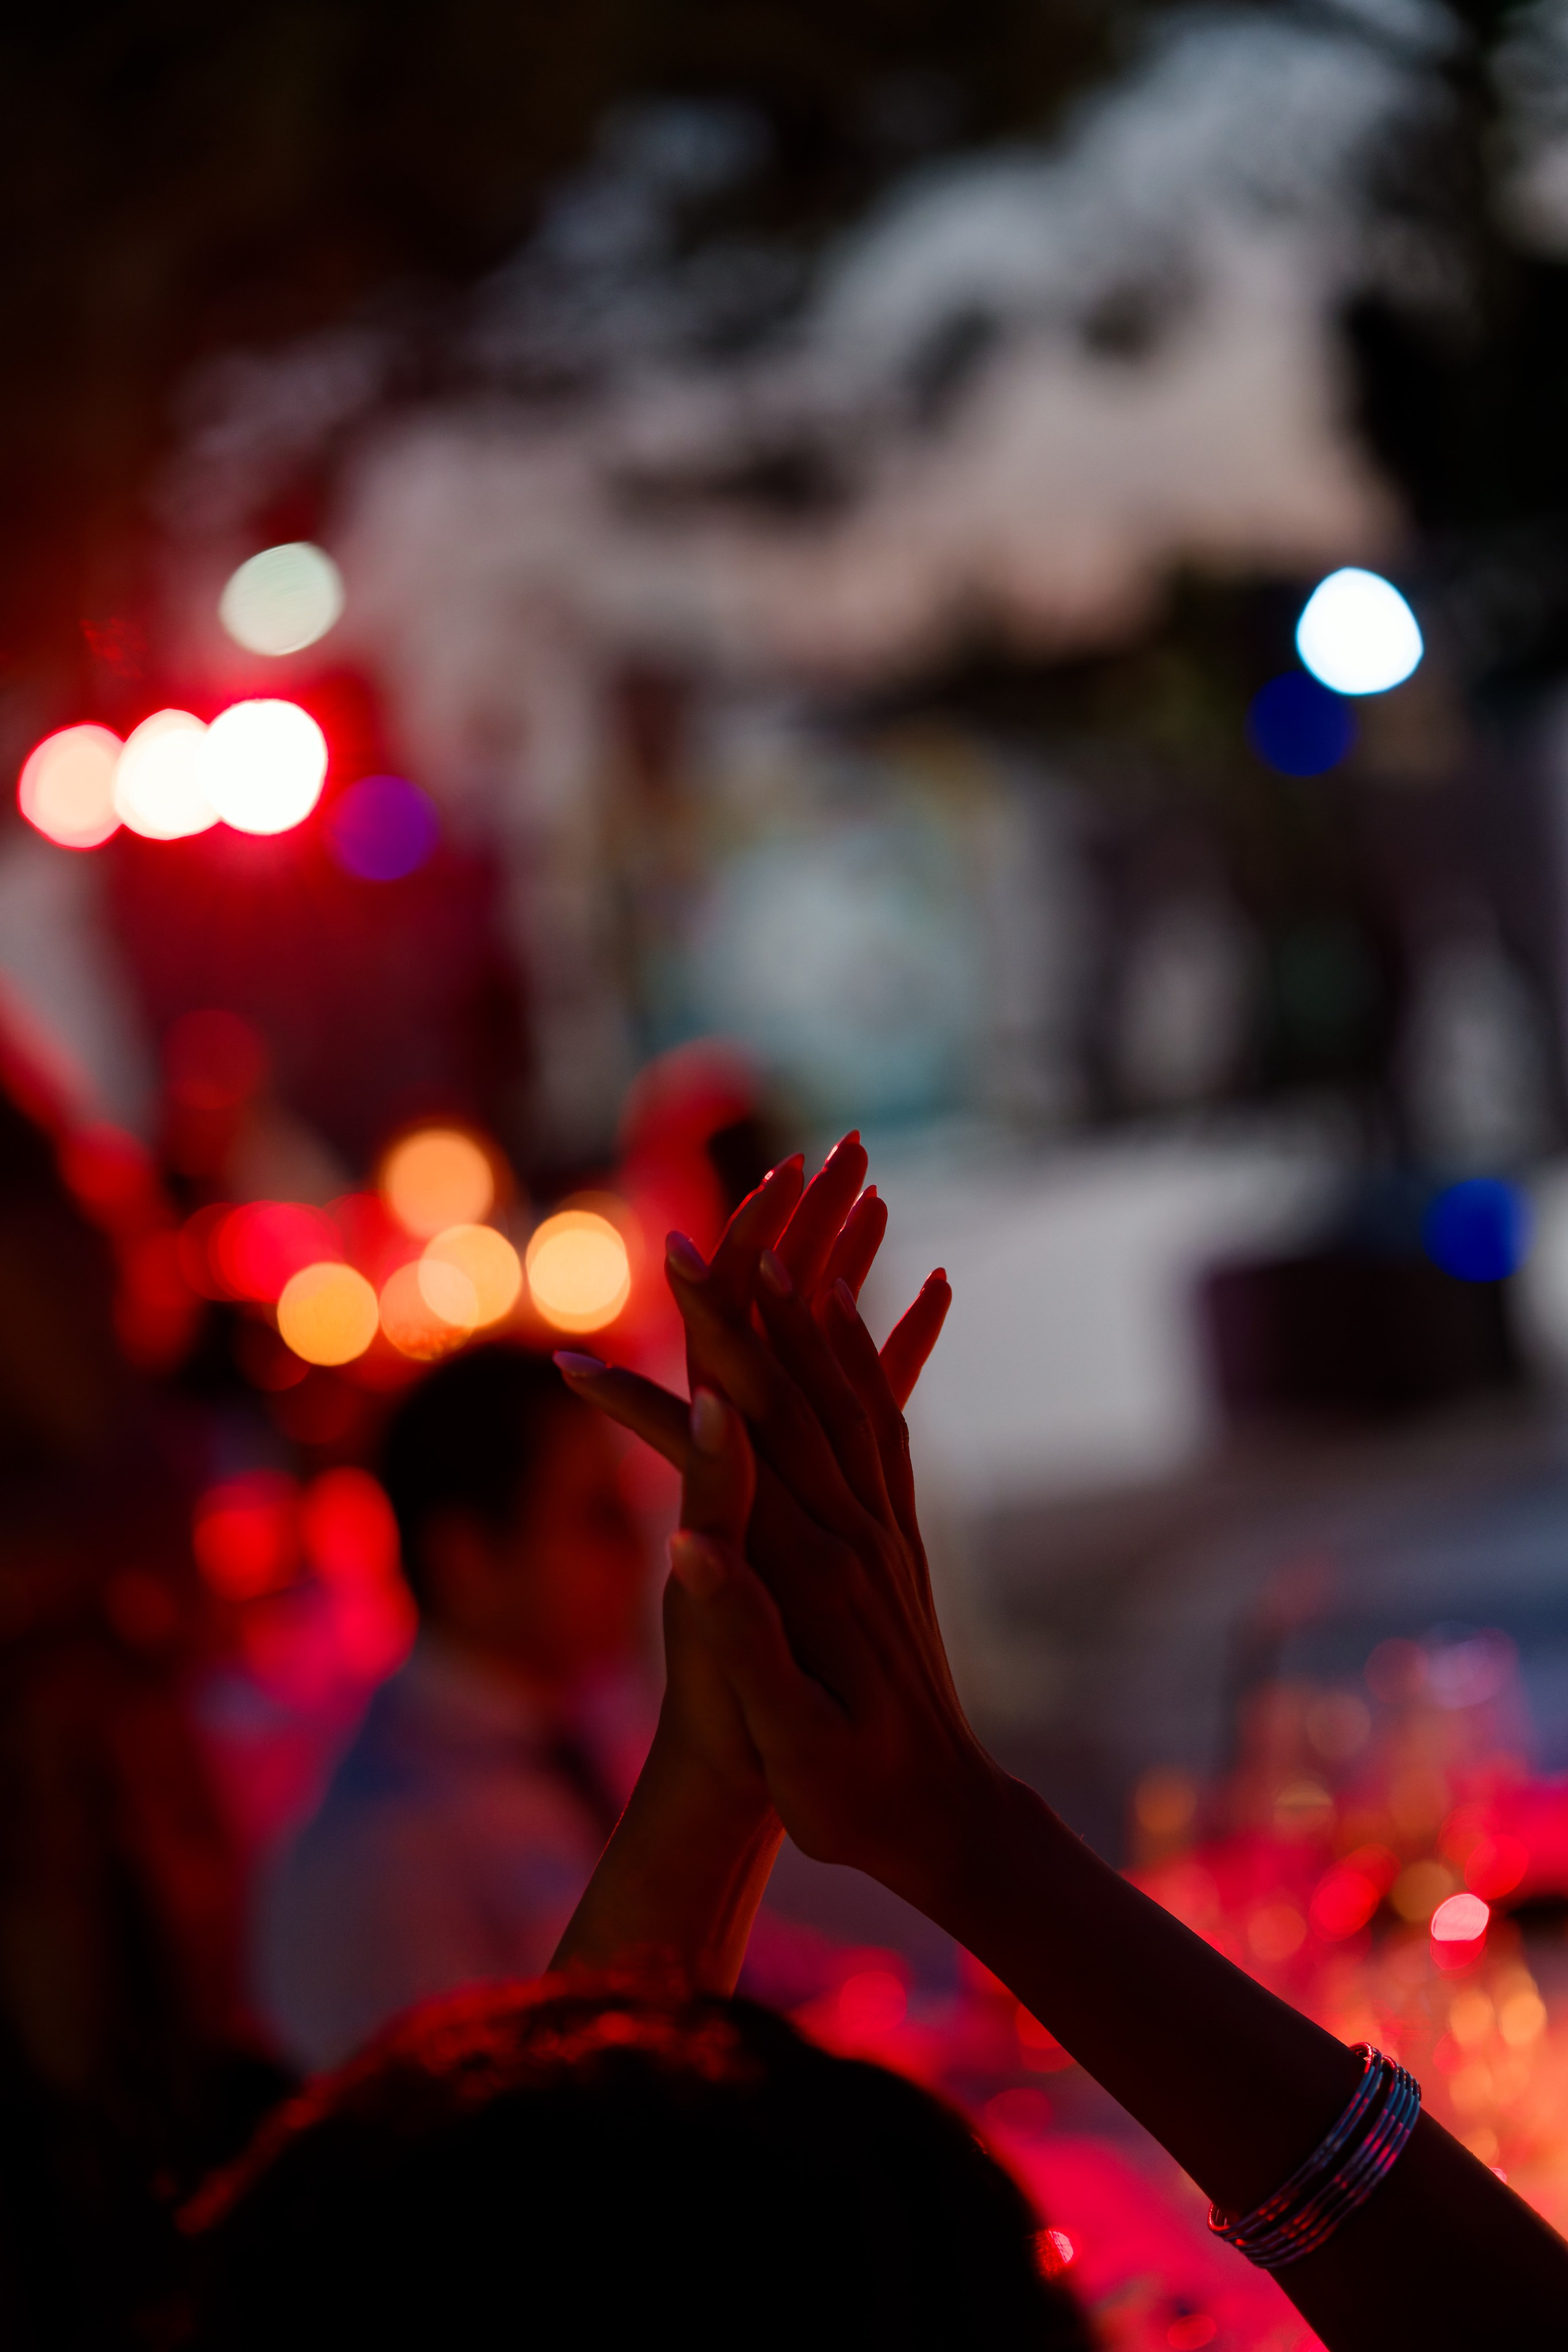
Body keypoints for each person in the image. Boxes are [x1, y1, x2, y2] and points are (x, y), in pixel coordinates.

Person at [254, 1343, 652, 2070]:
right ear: (467, 1557)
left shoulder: (575, 1736)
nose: (636, 1549)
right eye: (597, 1517)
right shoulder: (381, 1846)